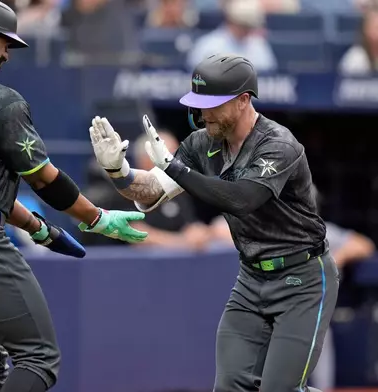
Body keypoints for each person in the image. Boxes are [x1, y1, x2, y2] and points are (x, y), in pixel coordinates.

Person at [0, 1, 147, 392]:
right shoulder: (0, 99)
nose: (5, 55)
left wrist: (38, 228)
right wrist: (96, 217)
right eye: (3, 45)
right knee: (38, 359)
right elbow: (44, 179)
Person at [88, 53, 338, 392]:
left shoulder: (278, 144)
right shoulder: (202, 142)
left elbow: (242, 199)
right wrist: (118, 171)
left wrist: (175, 168)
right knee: (230, 385)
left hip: (302, 277)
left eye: (212, 104)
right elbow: (150, 193)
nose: (203, 114)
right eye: (198, 104)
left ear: (243, 100)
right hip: (252, 279)